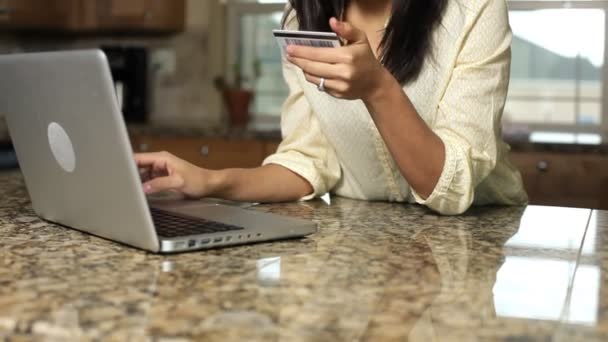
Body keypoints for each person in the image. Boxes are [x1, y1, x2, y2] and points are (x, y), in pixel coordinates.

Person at [135, 0, 528, 215]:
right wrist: (210, 183)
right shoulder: (304, 16)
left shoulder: (474, 8)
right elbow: (308, 161)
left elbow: (451, 186)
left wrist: (377, 88)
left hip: (478, 237)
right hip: (365, 242)